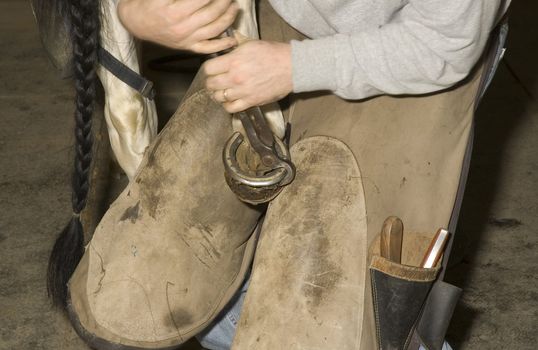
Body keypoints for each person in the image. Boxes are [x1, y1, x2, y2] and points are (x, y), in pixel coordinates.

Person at [65, 0, 510, 349]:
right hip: (275, 21)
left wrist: (294, 68)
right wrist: (134, 8)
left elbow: (445, 42)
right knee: (136, 294)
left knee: (320, 316)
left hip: (419, 49)